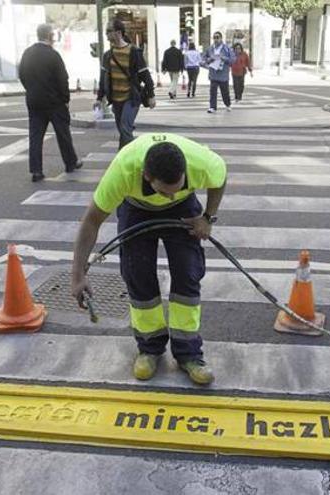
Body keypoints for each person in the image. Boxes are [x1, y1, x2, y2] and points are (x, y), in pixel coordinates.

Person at [70, 133, 227, 385]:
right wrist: (78, 276)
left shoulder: (200, 163)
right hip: (136, 209)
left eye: (176, 188)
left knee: (188, 273)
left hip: (185, 211)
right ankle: (149, 348)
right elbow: (91, 221)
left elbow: (220, 178)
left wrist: (207, 218)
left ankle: (189, 354)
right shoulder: (124, 170)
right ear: (146, 176)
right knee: (138, 276)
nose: (169, 197)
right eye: (165, 192)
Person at [18, 24, 81, 182]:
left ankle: (36, 171)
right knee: (63, 133)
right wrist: (65, 98)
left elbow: (22, 75)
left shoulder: (27, 53)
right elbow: (62, 79)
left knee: (35, 136)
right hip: (54, 102)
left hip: (34, 101)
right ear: (49, 36)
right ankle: (70, 162)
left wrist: (31, 90)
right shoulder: (53, 55)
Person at [98, 19, 156, 149]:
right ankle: (127, 154)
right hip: (116, 99)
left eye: (109, 31)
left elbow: (145, 74)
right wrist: (99, 97)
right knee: (124, 130)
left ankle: (127, 158)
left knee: (125, 128)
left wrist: (151, 95)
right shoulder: (107, 55)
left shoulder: (134, 52)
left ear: (118, 33)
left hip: (131, 97)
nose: (106, 35)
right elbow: (103, 78)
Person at [202, 31, 235, 114]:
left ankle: (227, 104)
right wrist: (208, 60)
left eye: (217, 37)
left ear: (221, 38)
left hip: (223, 74)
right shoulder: (210, 48)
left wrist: (224, 58)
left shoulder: (226, 48)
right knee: (213, 90)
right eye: (214, 37)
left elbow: (233, 60)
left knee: (225, 91)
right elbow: (203, 59)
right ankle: (212, 107)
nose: (216, 39)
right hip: (213, 73)